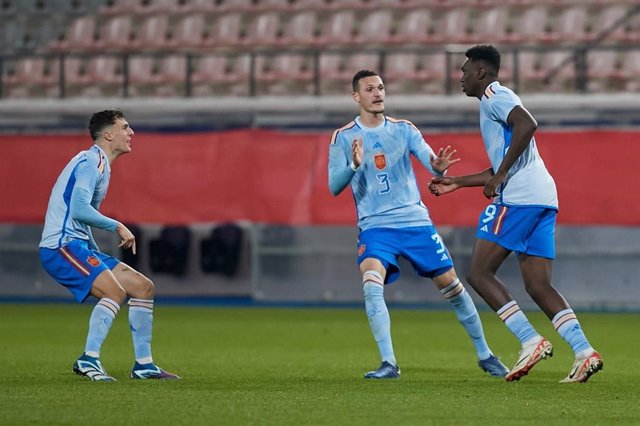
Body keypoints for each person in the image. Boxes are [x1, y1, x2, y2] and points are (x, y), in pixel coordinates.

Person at [429, 44, 603, 383]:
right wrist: (457, 182)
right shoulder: (493, 102)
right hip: (542, 196)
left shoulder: (495, 94)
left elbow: (527, 124)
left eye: (465, 71)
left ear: (481, 72)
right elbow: (502, 161)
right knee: (538, 285)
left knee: (479, 273)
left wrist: (501, 175)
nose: (461, 77)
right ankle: (584, 352)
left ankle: (530, 340)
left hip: (520, 197)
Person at [328, 70, 509, 379]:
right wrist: (353, 166)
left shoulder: (404, 129)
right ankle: (389, 363)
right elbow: (334, 186)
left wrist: (436, 165)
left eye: (381, 87)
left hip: (415, 223)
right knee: (371, 285)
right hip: (375, 227)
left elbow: (430, 161)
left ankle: (485, 354)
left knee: (453, 288)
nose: (378, 93)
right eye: (370, 89)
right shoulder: (343, 137)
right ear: (356, 97)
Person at [39, 109, 179, 381]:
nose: (131, 133)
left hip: (77, 245)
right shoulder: (92, 162)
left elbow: (81, 216)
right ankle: (88, 359)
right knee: (114, 292)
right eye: (125, 127)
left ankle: (144, 365)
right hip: (61, 246)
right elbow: (79, 209)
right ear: (108, 134)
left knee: (142, 287)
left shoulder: (99, 163)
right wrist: (117, 225)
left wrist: (93, 249)